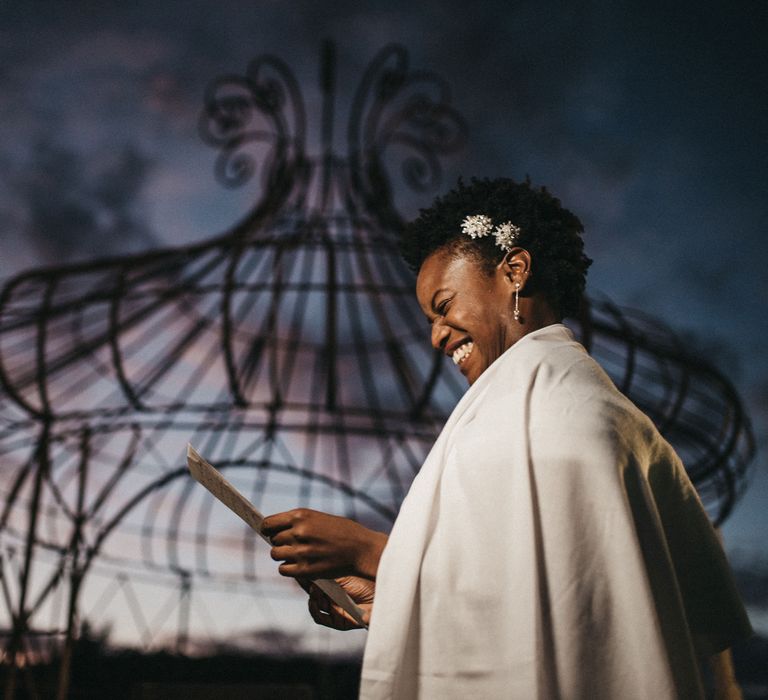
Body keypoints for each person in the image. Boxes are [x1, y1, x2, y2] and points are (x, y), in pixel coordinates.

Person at [261, 178, 751, 699]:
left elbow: (564, 600)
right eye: (430, 319)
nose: (436, 335)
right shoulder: (582, 406)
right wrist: (390, 596)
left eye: (444, 305)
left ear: (514, 271)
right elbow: (546, 600)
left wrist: (368, 551)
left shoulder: (551, 410)